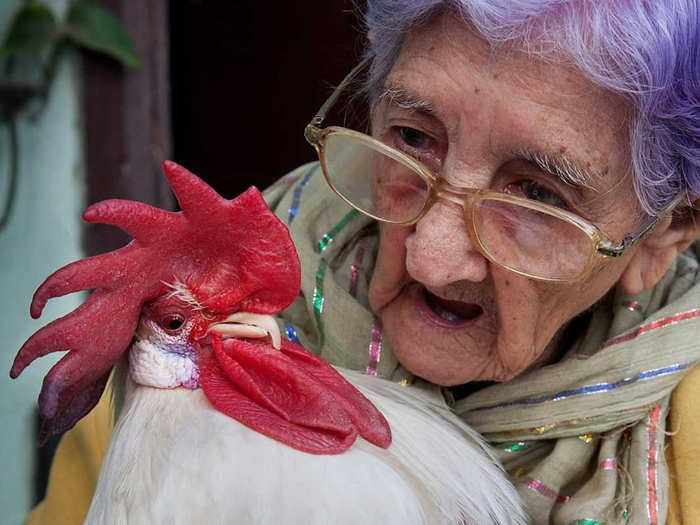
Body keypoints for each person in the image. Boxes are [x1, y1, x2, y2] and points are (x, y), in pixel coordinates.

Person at [27, 1, 699, 524]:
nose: (431, 259)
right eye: (412, 137)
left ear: (668, 230)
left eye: (537, 195)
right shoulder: (180, 375)